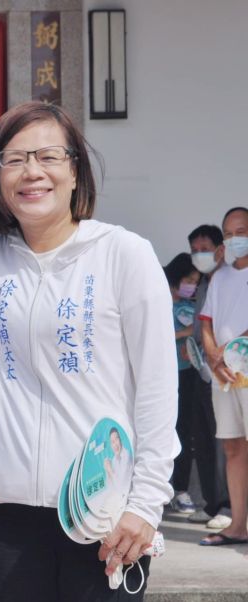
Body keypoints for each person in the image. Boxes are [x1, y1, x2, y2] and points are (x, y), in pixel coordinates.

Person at [0, 101, 179, 601]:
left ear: (75, 169)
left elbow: (156, 388)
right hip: (7, 514)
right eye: (14, 159)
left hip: (103, 511)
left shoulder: (124, 254)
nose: (32, 172)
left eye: (48, 156)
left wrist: (146, 503)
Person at [199, 206, 248, 546]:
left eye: (241, 232)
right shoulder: (220, 278)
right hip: (224, 376)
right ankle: (238, 525)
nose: (234, 239)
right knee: (232, 447)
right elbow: (206, 322)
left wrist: (231, 349)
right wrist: (214, 355)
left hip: (243, 368)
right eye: (228, 234)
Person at [186, 224, 232, 528]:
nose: (199, 255)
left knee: (224, 443)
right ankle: (210, 502)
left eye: (205, 249)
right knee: (201, 437)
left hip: (225, 371)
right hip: (200, 369)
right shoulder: (203, 283)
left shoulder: (231, 280)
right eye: (195, 250)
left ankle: (229, 505)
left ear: (220, 250)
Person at [163, 253, 202, 515]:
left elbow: (197, 330)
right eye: (189, 280)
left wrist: (184, 334)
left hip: (186, 376)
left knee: (184, 433)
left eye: (195, 283)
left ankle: (180, 490)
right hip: (161, 377)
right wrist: (181, 333)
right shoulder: (158, 300)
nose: (192, 286)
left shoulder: (191, 307)